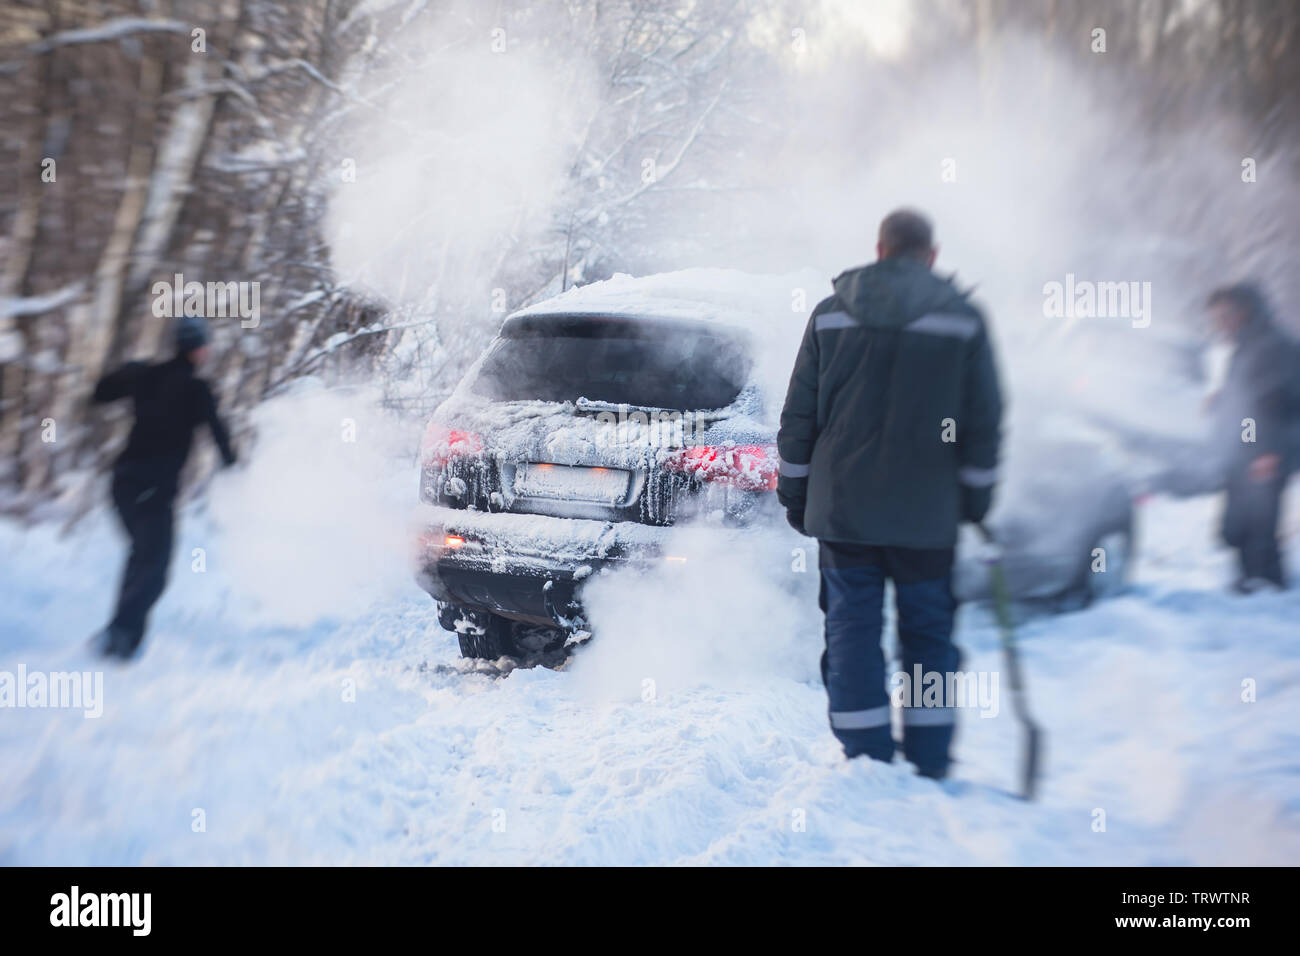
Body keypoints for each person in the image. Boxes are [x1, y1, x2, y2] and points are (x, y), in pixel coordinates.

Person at [776, 209, 1003, 779]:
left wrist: (796, 496)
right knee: (928, 632)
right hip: (927, 516)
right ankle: (929, 757)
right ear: (931, 254)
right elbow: (983, 424)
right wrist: (974, 502)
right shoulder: (962, 320)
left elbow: (799, 418)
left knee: (852, 626)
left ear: (880, 249)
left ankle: (865, 754)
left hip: (845, 511)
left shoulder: (830, 316)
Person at [90, 315, 237, 660]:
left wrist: (129, 370)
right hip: (153, 489)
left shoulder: (147, 374)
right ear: (199, 349)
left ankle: (120, 636)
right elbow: (220, 435)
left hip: (122, 484)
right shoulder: (197, 389)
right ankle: (120, 639)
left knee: (142, 557)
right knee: (154, 568)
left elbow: (100, 393)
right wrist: (235, 469)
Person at [1204, 284, 1295, 592]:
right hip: (1245, 449)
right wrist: (1221, 401)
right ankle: (1252, 581)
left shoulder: (1274, 346)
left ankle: (1266, 584)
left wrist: (1267, 452)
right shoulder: (1246, 346)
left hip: (1265, 451)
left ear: (1244, 312)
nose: (1219, 324)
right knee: (1237, 524)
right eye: (1215, 318)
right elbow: (1245, 399)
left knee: (1259, 524)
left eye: (1223, 316)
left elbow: (1277, 404)